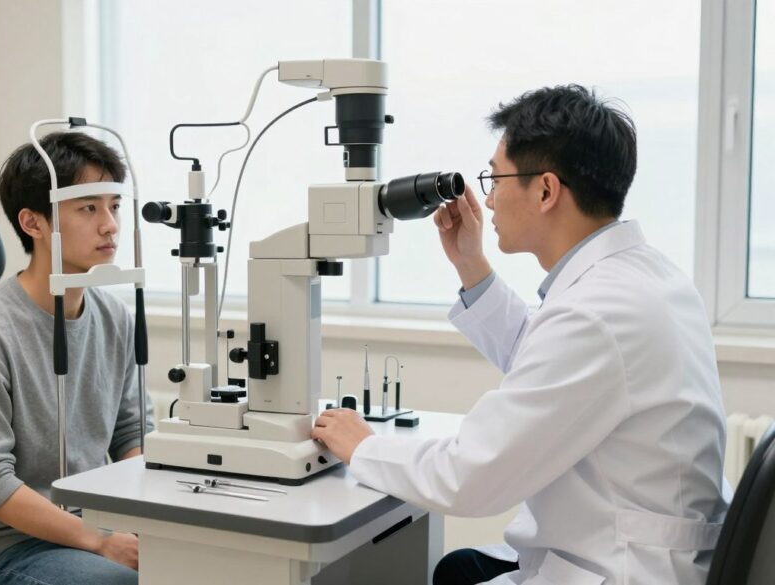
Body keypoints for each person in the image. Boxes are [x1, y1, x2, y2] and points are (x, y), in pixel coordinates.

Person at [312, 85, 730, 585]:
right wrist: (472, 266)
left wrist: (364, 448)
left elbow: (470, 477)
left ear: (546, 190)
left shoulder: (596, 312)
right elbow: (553, 363)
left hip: (623, 568)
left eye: (494, 177)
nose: (487, 199)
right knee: (458, 570)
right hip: (638, 546)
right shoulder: (643, 279)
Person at [0, 131, 152, 585]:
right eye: (88, 207)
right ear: (33, 224)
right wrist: (99, 539)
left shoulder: (114, 317)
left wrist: (140, 517)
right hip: (9, 545)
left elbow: (130, 431)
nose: (110, 224)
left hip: (99, 522)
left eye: (114, 205)